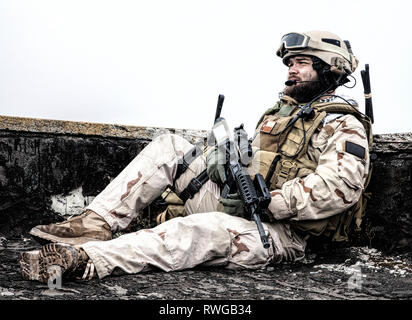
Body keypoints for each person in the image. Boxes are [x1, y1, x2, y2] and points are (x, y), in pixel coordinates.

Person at [20, 31, 372, 283]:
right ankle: (93, 226)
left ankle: (84, 260)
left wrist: (269, 202)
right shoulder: (281, 114)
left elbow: (340, 187)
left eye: (301, 63)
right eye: (290, 63)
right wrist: (228, 159)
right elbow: (264, 163)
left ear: (331, 69)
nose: (291, 70)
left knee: (198, 230)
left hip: (280, 236)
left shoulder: (342, 123)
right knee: (169, 146)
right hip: (242, 209)